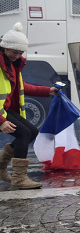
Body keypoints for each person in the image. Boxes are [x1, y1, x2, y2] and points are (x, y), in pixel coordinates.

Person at [0, 23, 59, 189]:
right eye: (14, 52)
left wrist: (49, 91)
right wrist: (1, 121)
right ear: (5, 47)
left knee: (32, 131)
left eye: (20, 53)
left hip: (6, 110)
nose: (17, 56)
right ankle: (19, 179)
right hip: (1, 114)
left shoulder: (12, 64)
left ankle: (1, 166)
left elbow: (22, 87)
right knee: (24, 133)